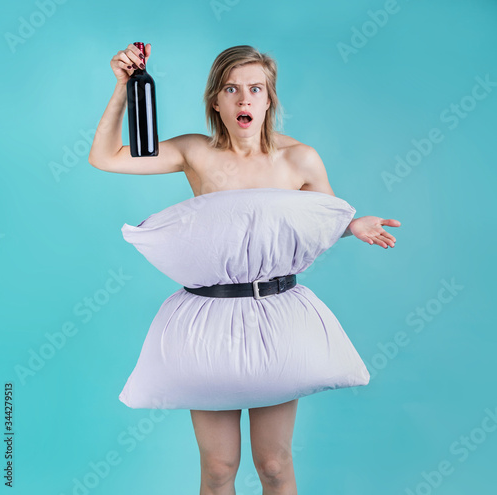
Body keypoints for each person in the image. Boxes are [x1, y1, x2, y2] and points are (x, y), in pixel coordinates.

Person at [89, 43, 400, 495]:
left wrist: (355, 226)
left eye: (256, 89)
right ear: (216, 100)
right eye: (232, 89)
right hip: (209, 318)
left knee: (273, 464)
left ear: (269, 98)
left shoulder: (300, 159)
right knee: (218, 469)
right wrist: (122, 87)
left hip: (276, 315)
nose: (244, 99)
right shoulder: (194, 152)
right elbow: (106, 157)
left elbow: (318, 225)